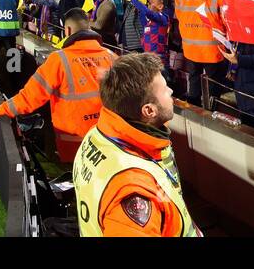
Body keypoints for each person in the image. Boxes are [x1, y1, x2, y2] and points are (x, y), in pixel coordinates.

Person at [73, 52, 199, 237]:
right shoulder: (133, 192)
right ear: (149, 110)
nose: (171, 91)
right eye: (164, 90)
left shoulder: (96, 135)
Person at [0, 7, 116, 161]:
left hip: (74, 146)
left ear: (67, 30)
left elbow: (30, 97)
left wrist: (2, 110)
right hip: (109, 142)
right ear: (89, 27)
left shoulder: (58, 60)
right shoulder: (112, 57)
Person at [173, 0, 228, 105]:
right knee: (214, 83)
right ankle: (213, 111)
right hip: (213, 44)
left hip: (190, 43)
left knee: (194, 79)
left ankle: (194, 109)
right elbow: (225, 15)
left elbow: (179, 13)